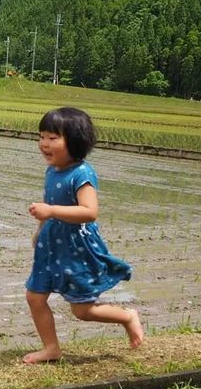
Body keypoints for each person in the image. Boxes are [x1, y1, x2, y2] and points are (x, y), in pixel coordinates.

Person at [24, 107, 144, 364]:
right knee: (34, 296)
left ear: (75, 142)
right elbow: (49, 206)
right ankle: (51, 348)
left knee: (82, 310)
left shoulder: (82, 174)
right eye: (41, 136)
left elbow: (90, 212)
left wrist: (52, 210)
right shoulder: (52, 171)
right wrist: (39, 230)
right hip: (50, 245)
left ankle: (127, 317)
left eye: (53, 138)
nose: (44, 143)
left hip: (75, 248)